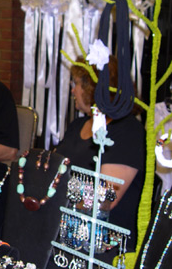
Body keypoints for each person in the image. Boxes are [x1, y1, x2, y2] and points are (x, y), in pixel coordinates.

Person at [55, 56, 145, 251]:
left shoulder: (127, 131)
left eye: (76, 84)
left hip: (103, 241)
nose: (73, 91)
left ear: (93, 88)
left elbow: (104, 200)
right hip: (65, 226)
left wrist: (54, 192)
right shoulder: (77, 125)